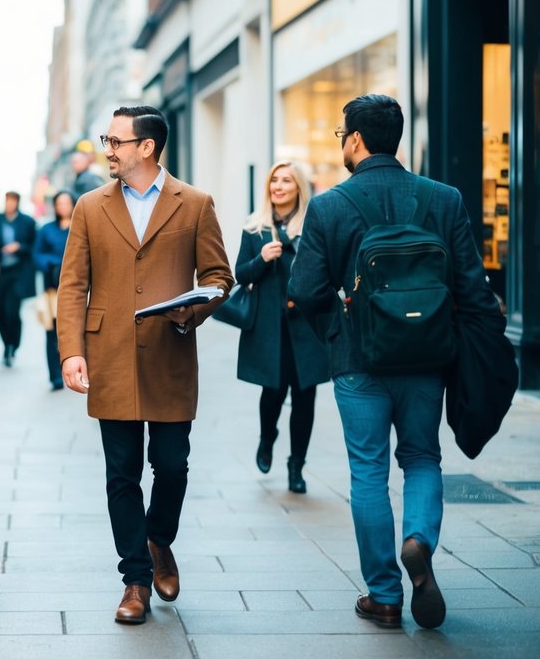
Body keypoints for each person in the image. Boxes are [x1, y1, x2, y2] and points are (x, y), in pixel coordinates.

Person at [289, 94, 500, 631]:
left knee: (368, 472)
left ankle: (383, 596)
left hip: (359, 363)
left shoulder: (330, 205)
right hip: (427, 360)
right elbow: (471, 287)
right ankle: (419, 541)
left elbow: (305, 289)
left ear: (355, 139)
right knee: (422, 458)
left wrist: (338, 331)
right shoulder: (444, 198)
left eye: (342, 135)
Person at [56, 105, 232, 626]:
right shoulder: (90, 206)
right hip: (109, 354)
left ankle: (159, 539)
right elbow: (72, 286)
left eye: (116, 141)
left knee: (172, 465)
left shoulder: (195, 203)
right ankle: (135, 579)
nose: (108, 149)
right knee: (121, 474)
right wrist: (71, 352)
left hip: (171, 351)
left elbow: (220, 276)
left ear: (146, 147)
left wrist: (194, 307)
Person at [234, 162, 328, 494]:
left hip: (306, 330)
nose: (279, 186)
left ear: (298, 187)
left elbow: (324, 273)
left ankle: (296, 466)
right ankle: (266, 437)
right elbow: (240, 275)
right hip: (269, 330)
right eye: (274, 180)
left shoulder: (313, 227)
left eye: (286, 180)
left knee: (305, 397)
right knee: (272, 392)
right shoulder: (255, 228)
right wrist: (261, 259)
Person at [0, 190, 36, 367]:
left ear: (17, 203)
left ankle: (13, 345)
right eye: (7, 201)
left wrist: (18, 247)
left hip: (18, 272)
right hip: (0, 272)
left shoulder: (27, 221)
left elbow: (33, 246)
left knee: (12, 311)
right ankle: (6, 343)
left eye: (12, 201)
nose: (9, 204)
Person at [34, 191, 74, 391]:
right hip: (51, 289)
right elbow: (37, 255)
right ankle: (55, 376)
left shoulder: (79, 227)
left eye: (66, 202)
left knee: (75, 330)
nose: (63, 206)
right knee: (52, 332)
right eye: (59, 203)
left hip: (76, 290)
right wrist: (51, 263)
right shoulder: (46, 229)